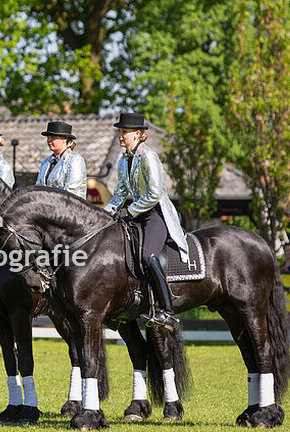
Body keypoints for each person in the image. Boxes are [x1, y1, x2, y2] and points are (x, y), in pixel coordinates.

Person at [104, 112, 189, 332]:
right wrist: (106, 214)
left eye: (124, 132)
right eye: (120, 131)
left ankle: (169, 313)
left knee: (147, 254)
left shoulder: (148, 156)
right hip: (137, 214)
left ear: (139, 134)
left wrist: (129, 211)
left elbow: (154, 193)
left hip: (156, 213)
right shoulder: (124, 159)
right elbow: (119, 193)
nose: (120, 135)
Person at [35, 121, 87, 198]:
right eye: (48, 137)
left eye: (52, 137)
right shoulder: (45, 162)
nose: (49, 140)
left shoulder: (75, 160)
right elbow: (38, 188)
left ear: (64, 139)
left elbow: (72, 192)